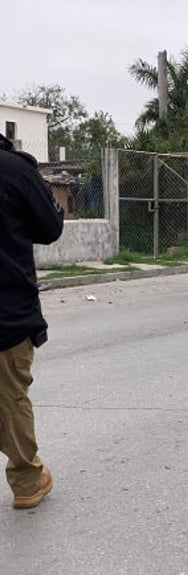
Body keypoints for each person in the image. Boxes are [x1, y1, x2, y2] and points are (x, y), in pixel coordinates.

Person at [0, 133, 64, 509]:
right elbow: (50, 227)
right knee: (10, 397)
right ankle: (27, 481)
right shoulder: (14, 170)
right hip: (8, 308)